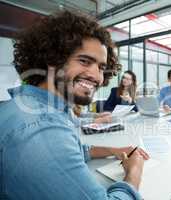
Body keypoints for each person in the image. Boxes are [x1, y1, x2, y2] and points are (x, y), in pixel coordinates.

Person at [0, 11, 150, 200]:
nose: (97, 77)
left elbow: (76, 149)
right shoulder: (40, 128)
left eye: (101, 68)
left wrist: (112, 150)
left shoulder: (45, 108)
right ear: (52, 59)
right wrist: (134, 171)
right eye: (84, 61)